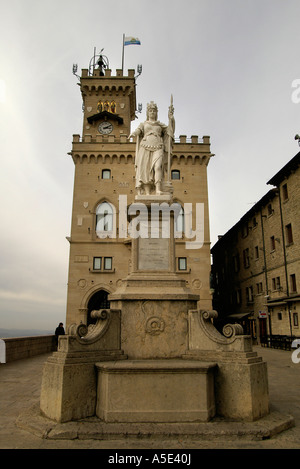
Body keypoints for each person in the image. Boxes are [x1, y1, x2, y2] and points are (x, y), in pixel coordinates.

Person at [129, 100, 175, 195]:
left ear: (156, 112)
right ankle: (147, 192)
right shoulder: (144, 124)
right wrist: (133, 133)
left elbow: (170, 131)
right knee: (145, 170)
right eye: (150, 110)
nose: (152, 112)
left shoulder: (160, 125)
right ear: (147, 112)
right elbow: (138, 130)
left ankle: (158, 189)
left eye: (154, 110)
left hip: (158, 146)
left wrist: (171, 118)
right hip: (145, 147)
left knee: (157, 167)